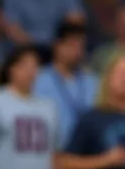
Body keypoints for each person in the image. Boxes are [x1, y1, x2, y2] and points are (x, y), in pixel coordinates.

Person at [34, 19, 99, 149]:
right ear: (57, 46)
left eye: (81, 46)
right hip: (52, 150)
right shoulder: (39, 79)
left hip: (89, 153)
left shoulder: (93, 81)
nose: (77, 51)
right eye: (71, 45)